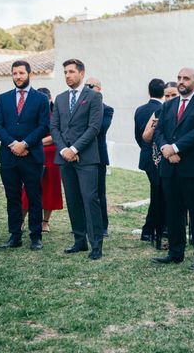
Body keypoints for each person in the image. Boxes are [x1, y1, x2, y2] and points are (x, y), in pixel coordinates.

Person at [152, 67, 194, 269]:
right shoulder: (168, 106)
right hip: (170, 168)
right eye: (179, 78)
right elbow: (159, 130)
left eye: (186, 78)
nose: (181, 81)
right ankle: (175, 252)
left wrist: (176, 148)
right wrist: (165, 149)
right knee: (173, 212)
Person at [50, 59, 104, 260]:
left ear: (81, 73)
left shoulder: (93, 97)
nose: (67, 75)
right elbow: (54, 127)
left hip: (86, 157)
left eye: (71, 72)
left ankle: (96, 244)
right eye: (65, 72)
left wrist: (74, 148)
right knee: (72, 200)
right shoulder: (61, 98)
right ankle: (79, 240)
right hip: (64, 158)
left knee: (90, 199)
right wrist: (64, 149)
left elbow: (94, 127)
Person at [0, 60, 49, 251]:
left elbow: (44, 126)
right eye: (15, 73)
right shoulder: (3, 98)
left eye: (21, 73)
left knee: (34, 196)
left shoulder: (41, 99)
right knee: (12, 197)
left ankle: (36, 236)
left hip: (32, 155)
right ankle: (15, 235)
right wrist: (12, 144)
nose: (17, 77)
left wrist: (24, 144)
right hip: (9, 156)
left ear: (29, 74)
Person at [21, 88, 63, 233]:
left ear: (50, 99)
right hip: (33, 155)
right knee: (29, 189)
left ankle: (45, 222)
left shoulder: (55, 116)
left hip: (51, 156)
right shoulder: (31, 115)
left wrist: (34, 142)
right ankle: (21, 220)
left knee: (50, 189)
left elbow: (55, 136)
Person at [134, 78, 166, 247]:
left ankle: (153, 229)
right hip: (157, 156)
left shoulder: (140, 110)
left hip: (145, 156)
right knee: (158, 194)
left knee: (157, 192)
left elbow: (137, 137)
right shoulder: (162, 109)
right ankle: (150, 229)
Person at [85, 77, 114, 237]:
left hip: (98, 155)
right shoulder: (80, 108)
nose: (88, 89)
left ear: (99, 89)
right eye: (85, 86)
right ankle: (83, 224)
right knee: (83, 192)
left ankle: (103, 226)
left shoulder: (107, 109)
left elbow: (100, 129)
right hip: (81, 153)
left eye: (91, 86)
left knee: (99, 193)